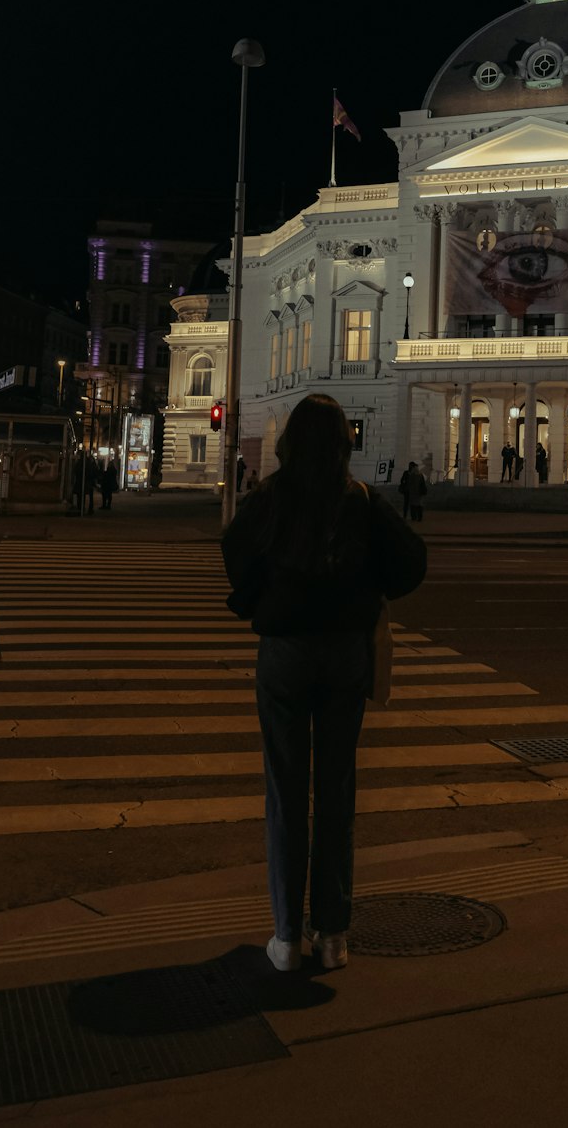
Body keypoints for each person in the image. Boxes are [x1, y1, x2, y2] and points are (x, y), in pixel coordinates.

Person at [222, 394, 426, 974]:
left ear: (289, 443)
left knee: (285, 792)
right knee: (336, 791)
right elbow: (412, 560)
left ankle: (285, 937)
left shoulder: (272, 495)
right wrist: (367, 591)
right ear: (344, 443)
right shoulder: (359, 499)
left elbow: (234, 551)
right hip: (342, 656)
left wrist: (262, 597)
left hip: (285, 654)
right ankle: (332, 934)